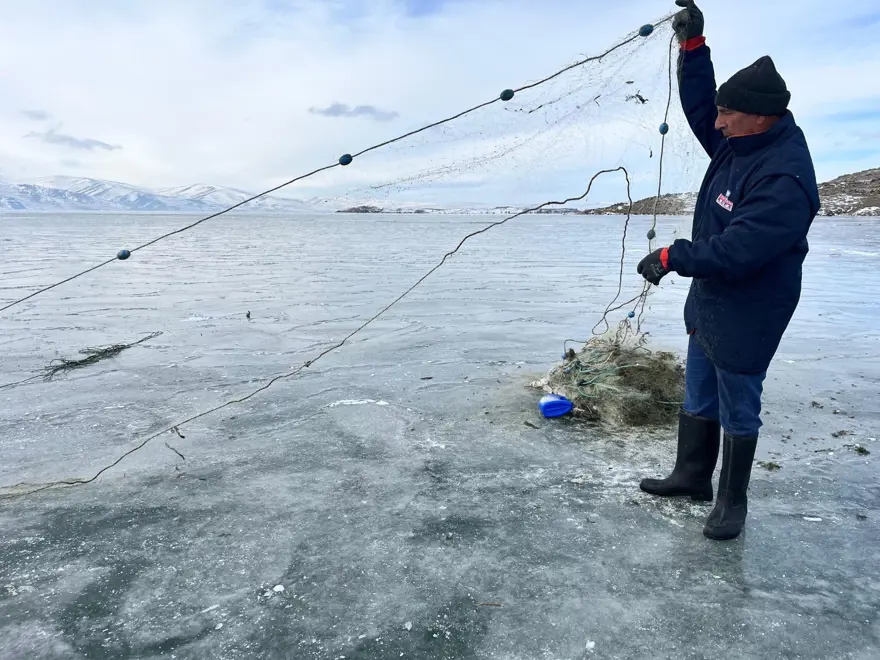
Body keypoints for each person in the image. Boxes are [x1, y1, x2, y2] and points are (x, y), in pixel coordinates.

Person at [635, 0, 820, 541]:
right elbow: (700, 108)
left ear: (758, 116)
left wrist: (675, 257)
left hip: (753, 306)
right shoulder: (740, 140)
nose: (715, 124)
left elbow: (742, 250)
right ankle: (692, 475)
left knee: (739, 398)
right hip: (712, 297)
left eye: (727, 115)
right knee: (698, 386)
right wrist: (693, 48)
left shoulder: (784, 177)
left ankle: (731, 499)